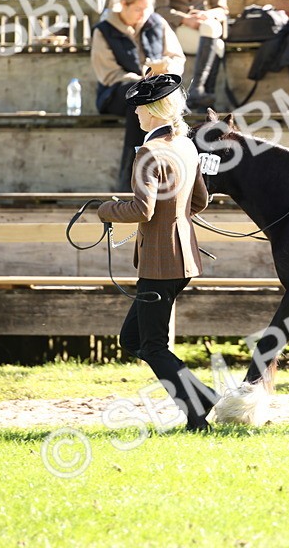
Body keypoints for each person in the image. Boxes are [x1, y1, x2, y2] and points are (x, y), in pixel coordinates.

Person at [96, 74, 218, 430]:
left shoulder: (150, 151)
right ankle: (200, 398)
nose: (134, 112)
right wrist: (174, 221)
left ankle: (198, 410)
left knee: (151, 345)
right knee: (133, 339)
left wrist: (106, 209)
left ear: (152, 111)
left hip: (159, 261)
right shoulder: (185, 145)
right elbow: (200, 200)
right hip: (183, 256)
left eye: (139, 107)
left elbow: (142, 210)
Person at [91, 0, 185, 191]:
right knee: (139, 103)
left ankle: (176, 171)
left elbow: (177, 57)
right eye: (138, 9)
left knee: (174, 105)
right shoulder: (103, 31)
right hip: (116, 93)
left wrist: (165, 72)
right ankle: (129, 180)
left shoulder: (157, 23)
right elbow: (109, 74)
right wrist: (143, 81)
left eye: (146, 8)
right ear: (123, 4)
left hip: (154, 88)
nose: (143, 14)